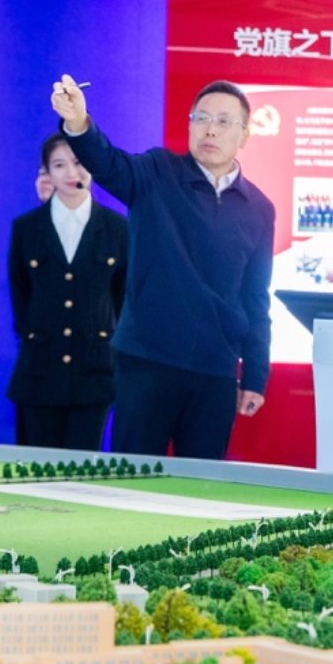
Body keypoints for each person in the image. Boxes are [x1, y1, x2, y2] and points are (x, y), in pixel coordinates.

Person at [51, 76, 273, 459]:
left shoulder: (260, 208)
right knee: (131, 477)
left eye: (223, 121)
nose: (210, 129)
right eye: (201, 118)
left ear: (245, 134)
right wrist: (78, 123)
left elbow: (255, 297)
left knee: (201, 484)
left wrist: (255, 373)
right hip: (146, 362)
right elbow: (108, 162)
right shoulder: (158, 171)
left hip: (215, 370)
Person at [7, 133, 129, 451]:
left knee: (82, 466)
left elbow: (123, 297)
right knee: (38, 466)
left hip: (95, 371)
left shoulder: (117, 228)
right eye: (59, 165)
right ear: (46, 171)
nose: (71, 172)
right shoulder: (27, 228)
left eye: (78, 161)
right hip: (39, 368)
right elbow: (20, 294)